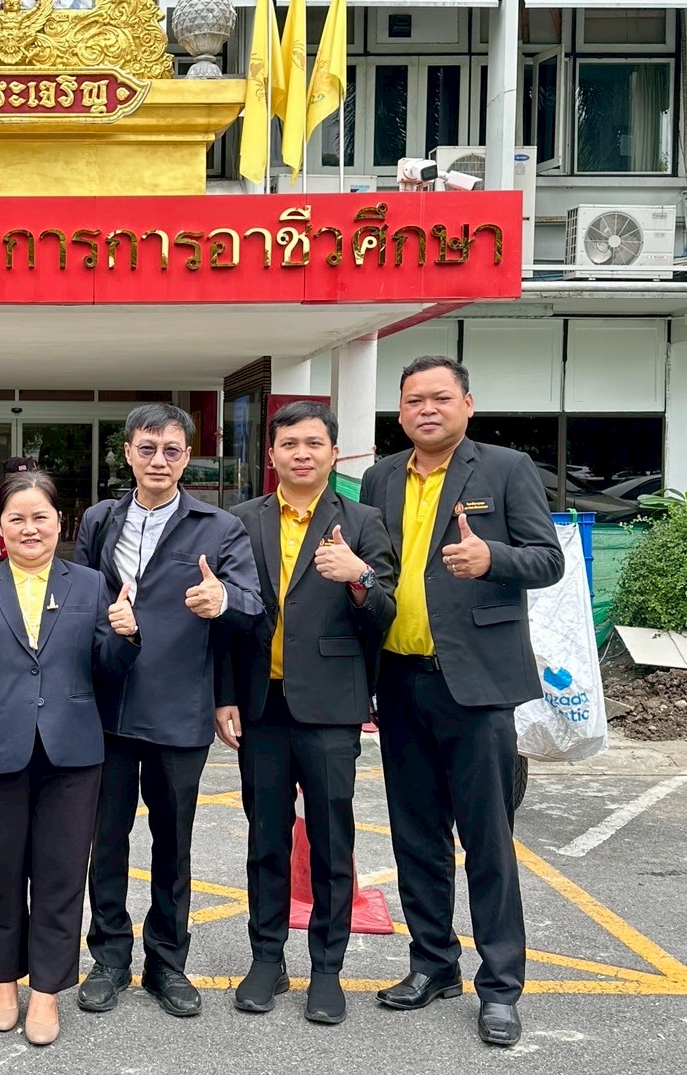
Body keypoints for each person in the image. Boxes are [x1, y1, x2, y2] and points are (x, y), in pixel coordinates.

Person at [360, 355, 564, 1048]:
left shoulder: (505, 469)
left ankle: (500, 986)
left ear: (467, 405)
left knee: (486, 842)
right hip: (399, 679)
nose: (427, 409)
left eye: (440, 398)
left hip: (476, 685)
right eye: (413, 400)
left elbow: (548, 559)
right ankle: (432, 964)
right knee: (415, 837)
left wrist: (492, 559)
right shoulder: (381, 477)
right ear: (399, 411)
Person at [0, 470, 138, 1046]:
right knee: (1, 873)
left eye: (40, 517)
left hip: (73, 753)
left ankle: (46, 991)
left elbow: (107, 668)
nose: (30, 528)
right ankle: (3, 981)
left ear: (59, 522)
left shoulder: (90, 585)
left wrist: (125, 635)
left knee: (61, 875)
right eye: (17, 518)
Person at [74, 403, 262, 1018]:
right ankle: (108, 958)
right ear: (128, 452)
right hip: (105, 706)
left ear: (187, 459)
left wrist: (221, 599)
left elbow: (252, 605)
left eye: (172, 450)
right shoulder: (100, 520)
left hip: (179, 707)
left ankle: (167, 962)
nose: (159, 460)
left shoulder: (219, 526)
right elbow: (78, 599)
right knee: (105, 840)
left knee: (173, 843)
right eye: (148, 448)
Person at [215, 401, 398, 1025]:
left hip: (330, 707)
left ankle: (327, 969)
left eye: (314, 443)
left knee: (330, 841)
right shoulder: (241, 521)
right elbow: (228, 621)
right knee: (265, 839)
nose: (301, 453)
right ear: (271, 454)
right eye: (289, 443)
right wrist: (225, 695)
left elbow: (385, 613)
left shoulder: (363, 521)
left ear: (333, 453)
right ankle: (266, 959)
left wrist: (359, 577)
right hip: (261, 707)